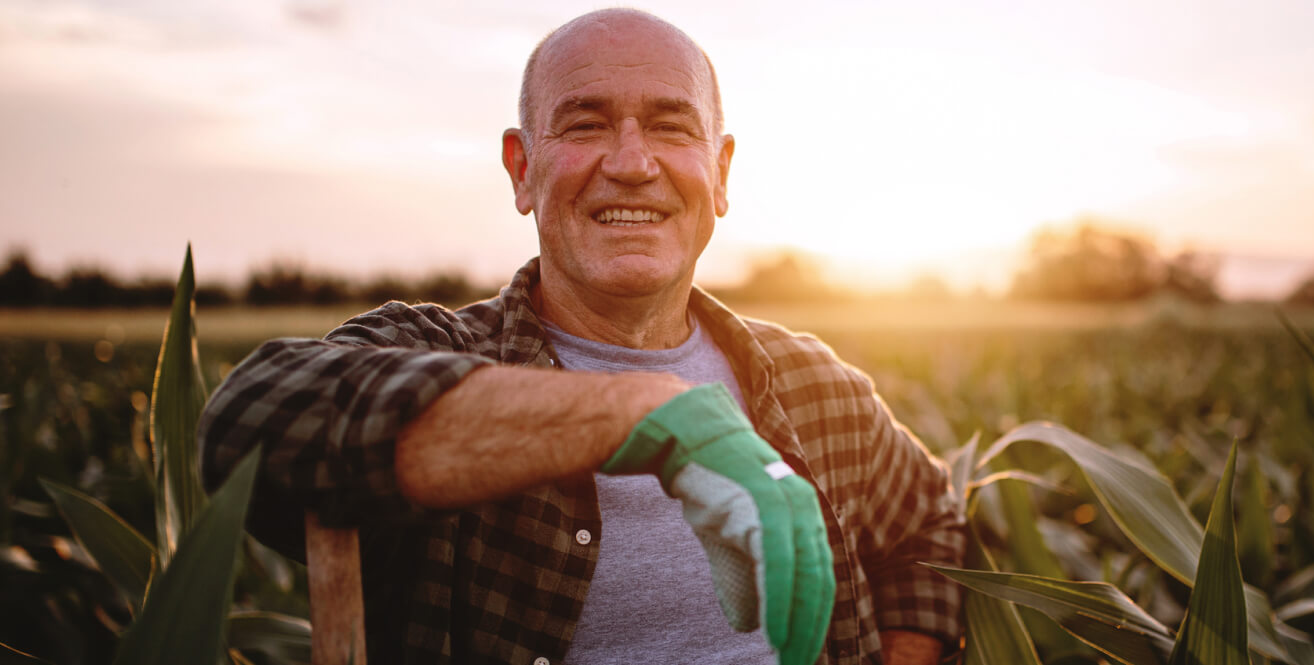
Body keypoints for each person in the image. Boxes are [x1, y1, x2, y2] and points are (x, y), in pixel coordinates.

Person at [199, 8, 964, 665]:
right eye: (586, 124)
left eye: (671, 127)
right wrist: (639, 415)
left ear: (720, 171)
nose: (632, 163)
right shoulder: (439, 354)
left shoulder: (813, 384)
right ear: (521, 168)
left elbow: (932, 521)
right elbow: (245, 428)